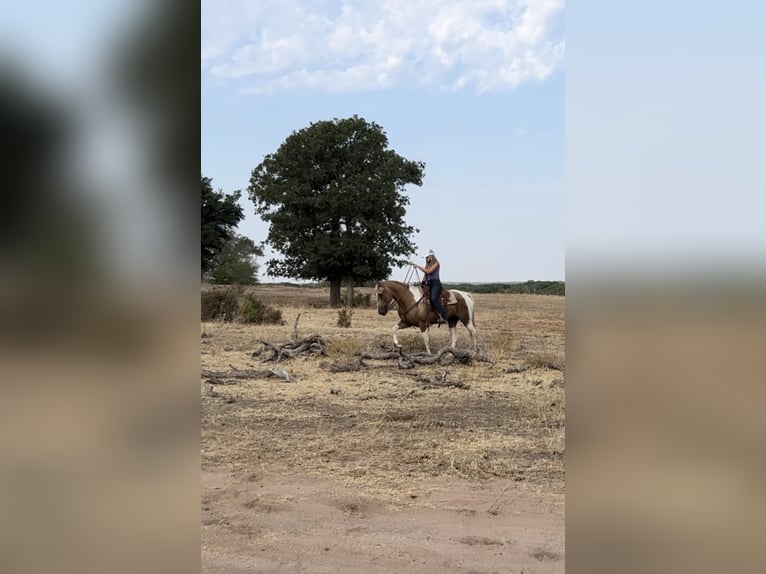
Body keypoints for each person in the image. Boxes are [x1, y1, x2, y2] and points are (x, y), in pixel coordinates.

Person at [410, 249, 448, 324]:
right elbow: (426, 275)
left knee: (434, 298)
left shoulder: (436, 263)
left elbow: (428, 271)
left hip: (436, 284)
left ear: (431, 257)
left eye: (427, 257)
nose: (426, 259)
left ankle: (443, 316)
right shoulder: (427, 265)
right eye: (425, 258)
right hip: (429, 283)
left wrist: (417, 266)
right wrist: (422, 282)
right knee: (422, 297)